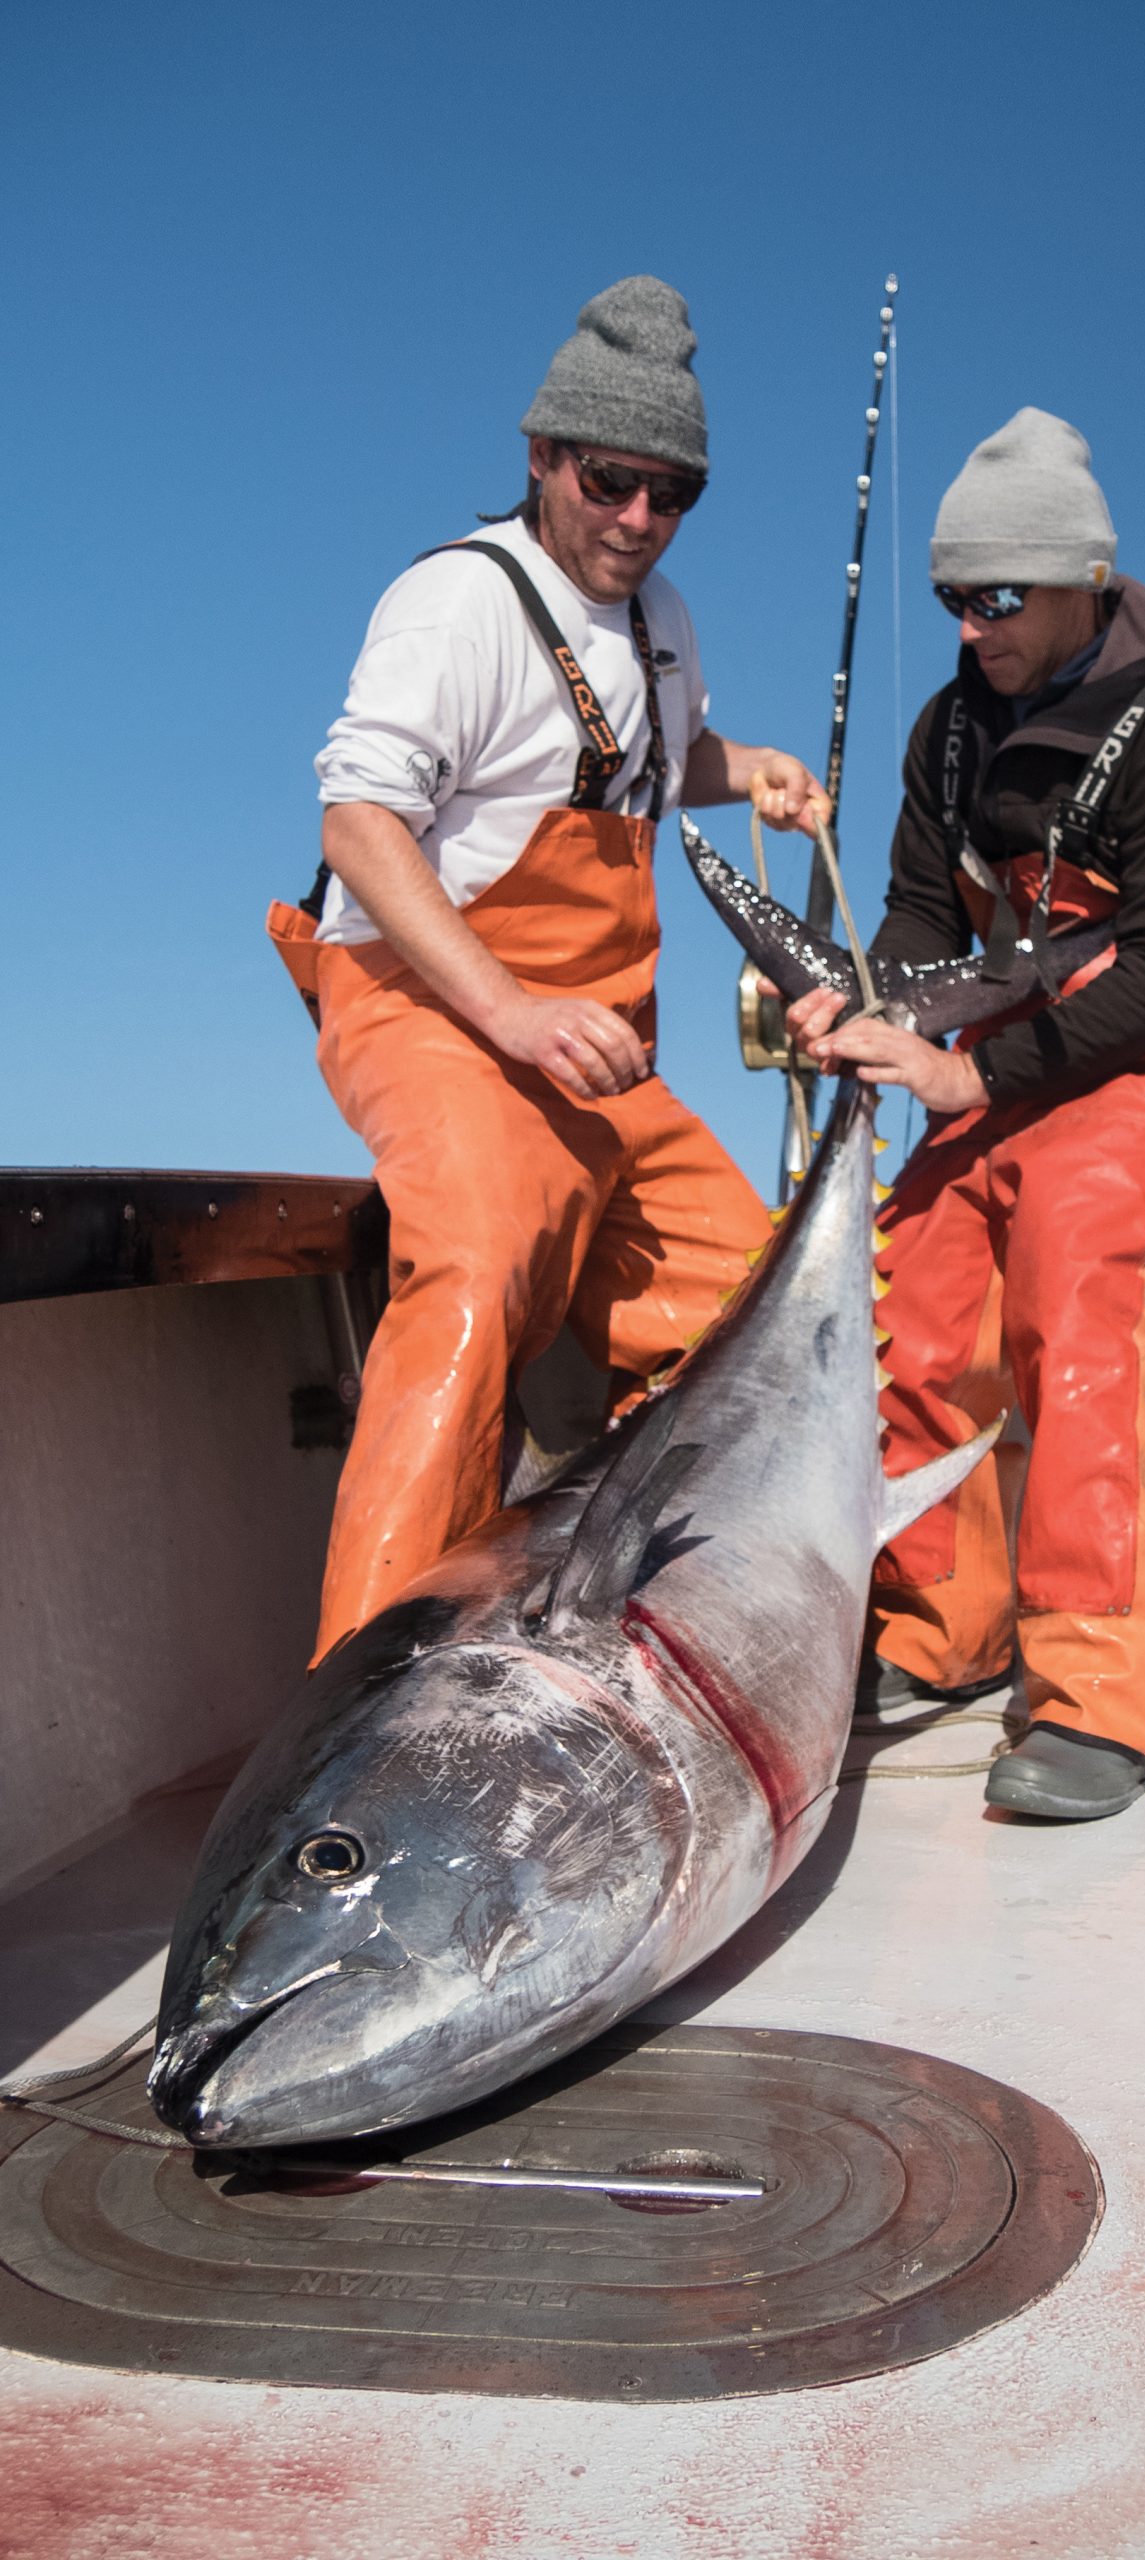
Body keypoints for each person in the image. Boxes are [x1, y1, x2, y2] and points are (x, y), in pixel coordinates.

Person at [269, 276, 827, 1662]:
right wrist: (509, 1009)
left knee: (769, 1319)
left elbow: (651, 754)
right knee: (480, 1262)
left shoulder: (666, 620)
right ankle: (367, 1691)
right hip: (428, 1005)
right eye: (611, 480)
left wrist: (740, 767)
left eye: (673, 493)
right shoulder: (456, 603)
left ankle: (737, 1645)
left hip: (592, 1046)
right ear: (541, 458)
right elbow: (359, 823)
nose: (638, 519)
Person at [788, 408, 1145, 1821]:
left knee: (1083, 1280)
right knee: (914, 1281)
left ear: (1083, 580)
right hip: (1013, 1027)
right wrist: (873, 1002)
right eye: (954, 599)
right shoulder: (953, 731)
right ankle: (941, 1628)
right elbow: (916, 906)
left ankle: (1104, 1701)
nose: (973, 627)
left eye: (1000, 598)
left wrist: (980, 1079)